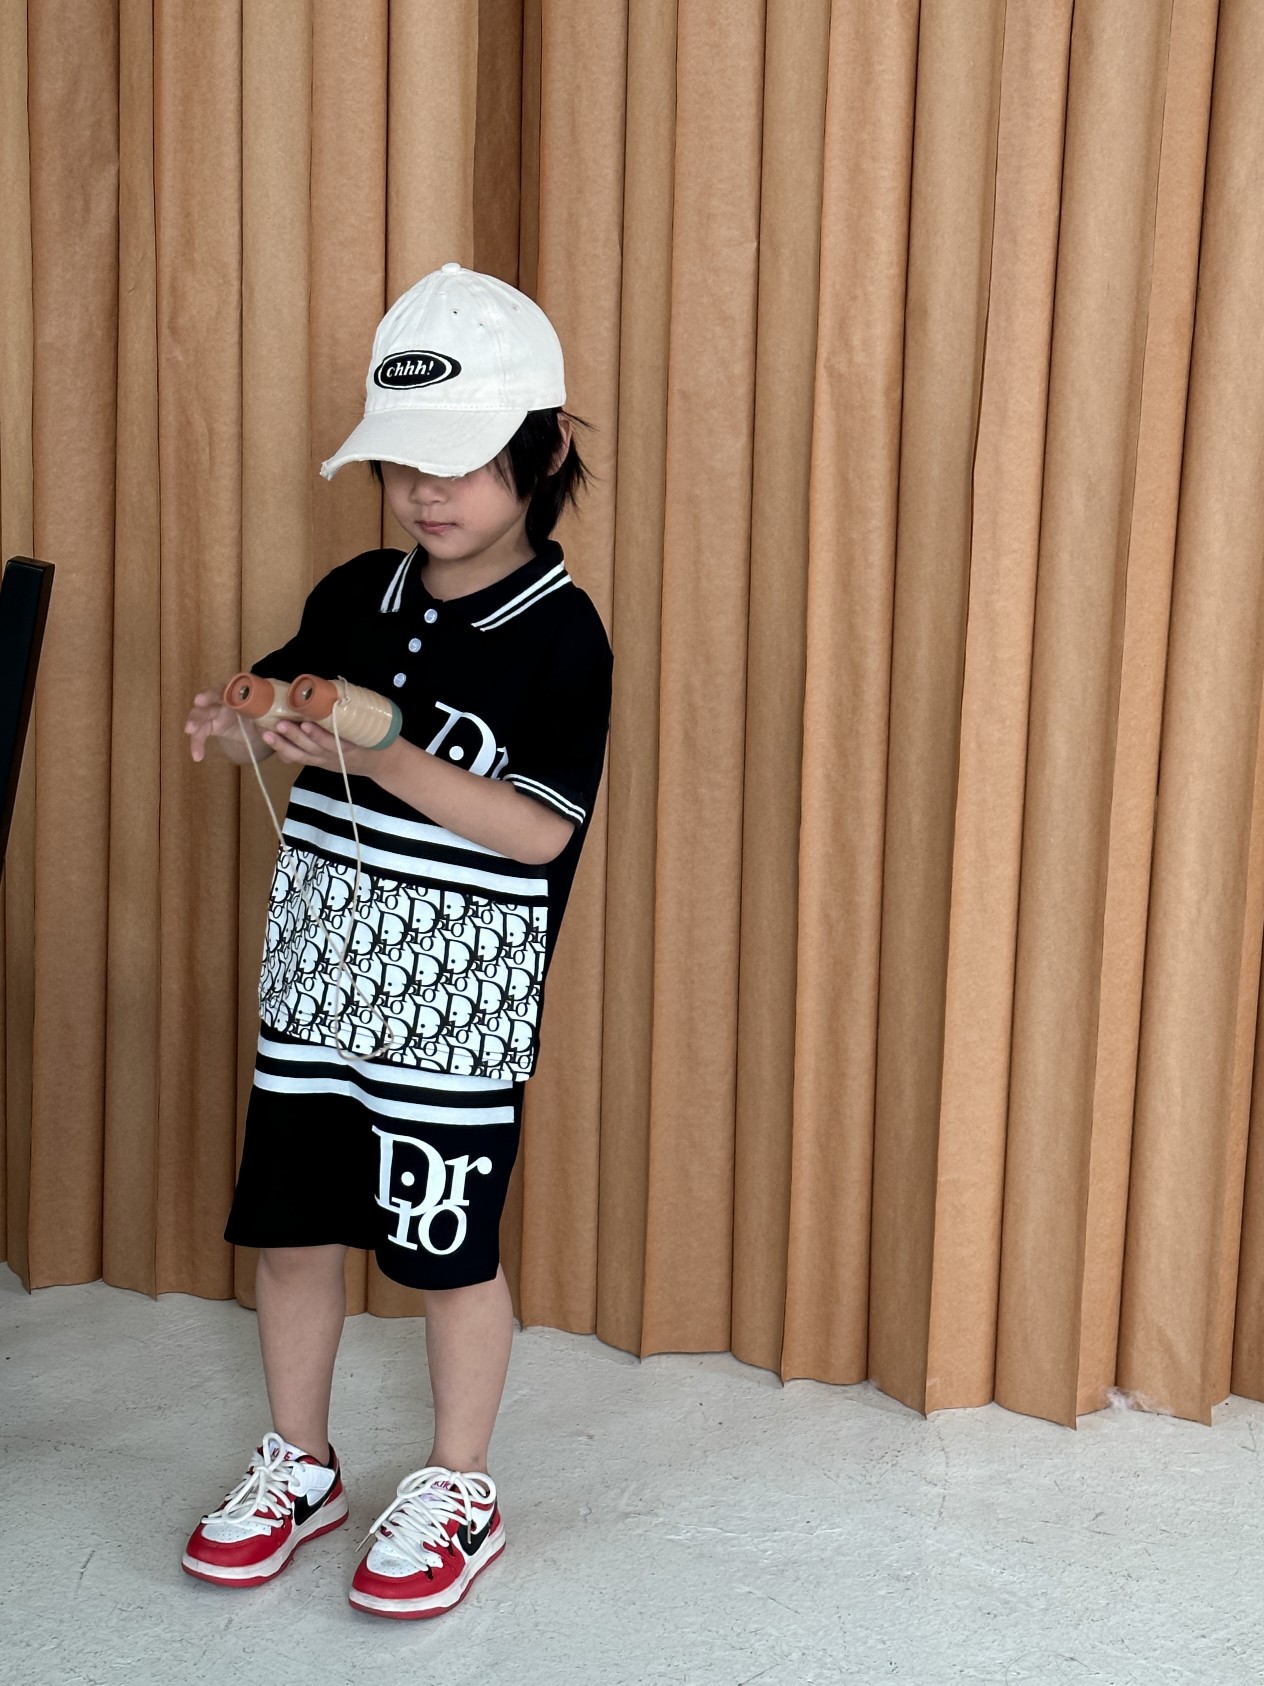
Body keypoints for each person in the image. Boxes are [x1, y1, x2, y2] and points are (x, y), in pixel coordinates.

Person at [180, 263, 612, 1619]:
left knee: (447, 1250)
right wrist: (244, 719)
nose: (428, 491)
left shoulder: (562, 639)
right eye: (405, 462)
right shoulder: (357, 589)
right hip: (318, 979)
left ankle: (459, 1484)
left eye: (463, 461)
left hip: (453, 1005)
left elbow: (535, 832)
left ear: (545, 451)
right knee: (294, 1228)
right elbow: (281, 704)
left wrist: (387, 751)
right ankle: (298, 1461)